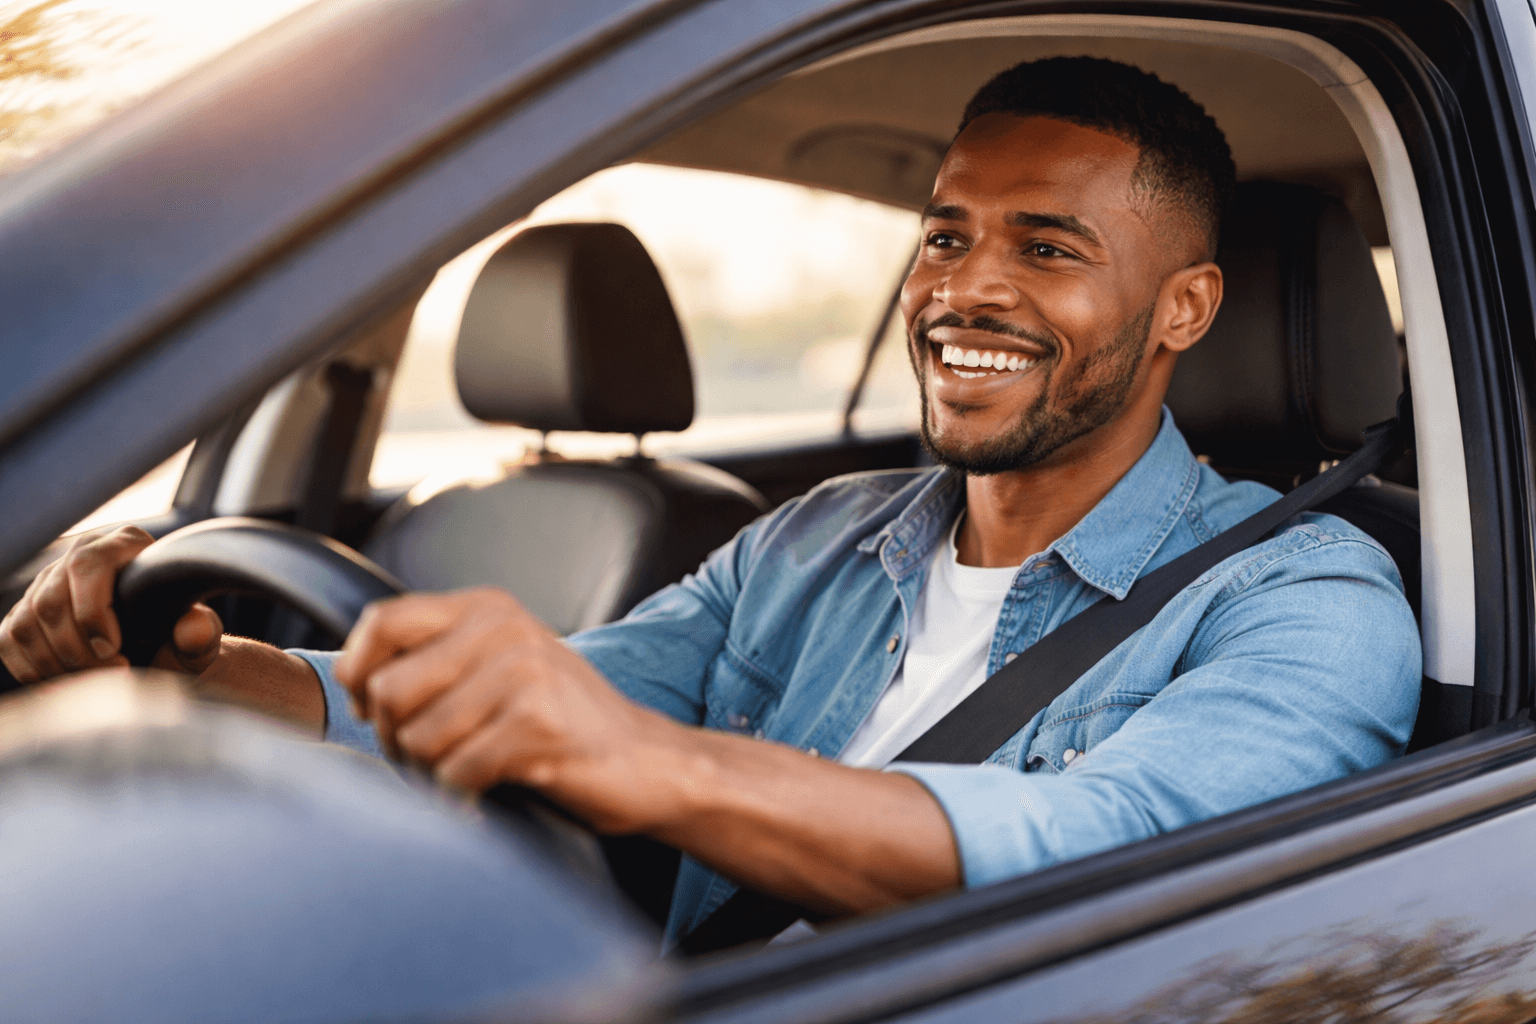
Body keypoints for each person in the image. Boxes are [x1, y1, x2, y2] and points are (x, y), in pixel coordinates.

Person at [0, 57, 1421, 947]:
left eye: (1046, 248)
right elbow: (554, 691)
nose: (961, 290)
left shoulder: (1309, 598)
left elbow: (1111, 858)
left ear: (1185, 309)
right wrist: (206, 672)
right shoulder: (819, 536)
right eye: (945, 235)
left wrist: (649, 763)